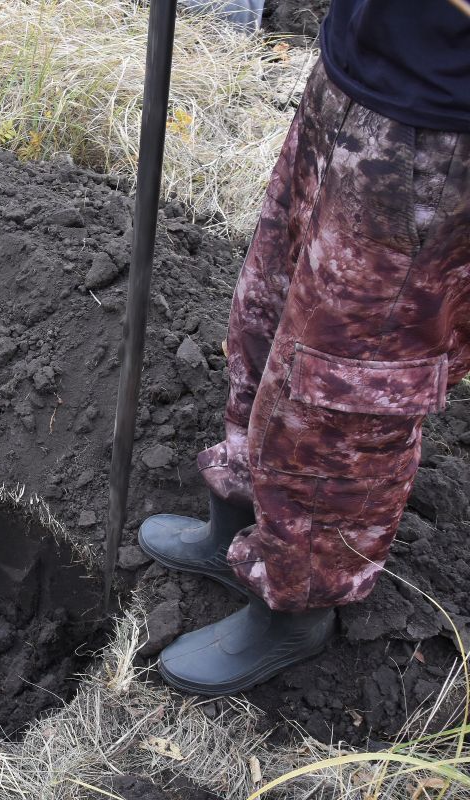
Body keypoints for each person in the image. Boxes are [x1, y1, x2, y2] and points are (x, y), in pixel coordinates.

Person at [138, 0, 470, 695]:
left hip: (438, 140)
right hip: (354, 78)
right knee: (267, 312)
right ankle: (239, 518)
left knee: (342, 392)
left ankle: (296, 605)